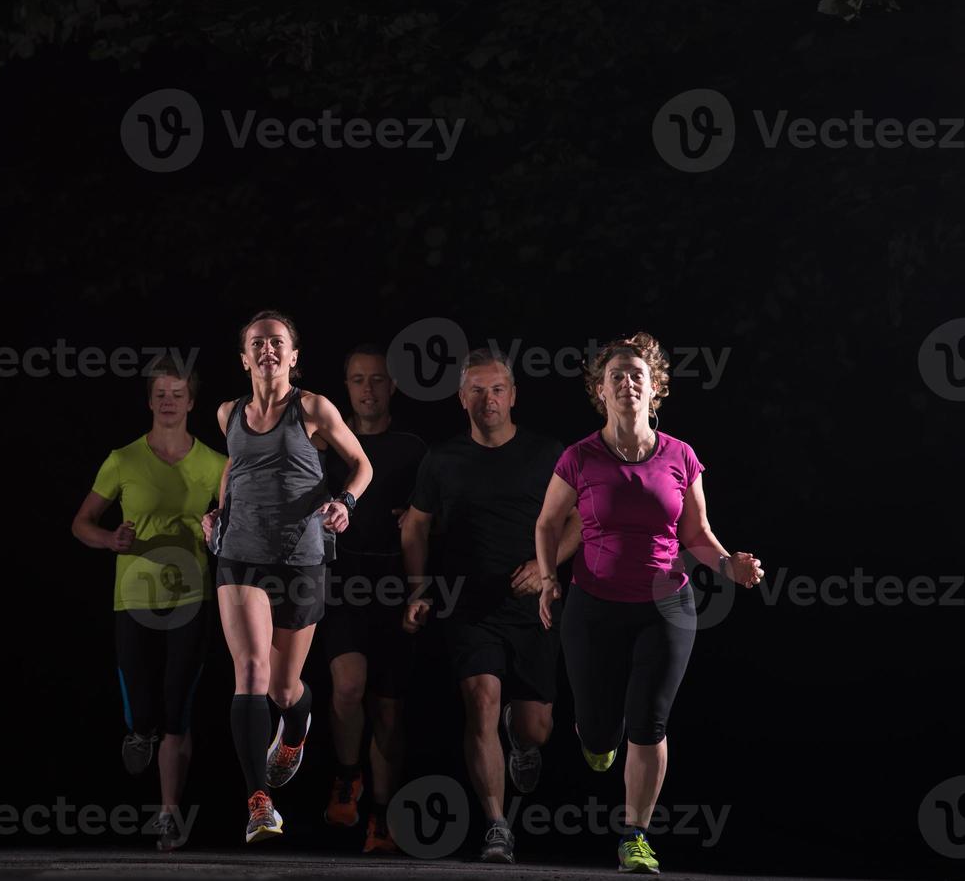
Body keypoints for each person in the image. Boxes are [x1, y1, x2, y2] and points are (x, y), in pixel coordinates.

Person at [534, 332, 764, 875]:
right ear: (601, 389)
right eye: (616, 375)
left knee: (649, 722)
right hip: (591, 605)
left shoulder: (681, 456)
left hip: (666, 607)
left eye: (637, 374)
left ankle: (634, 835)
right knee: (597, 732)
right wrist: (548, 579)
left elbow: (698, 533)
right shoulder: (580, 456)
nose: (627, 382)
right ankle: (595, 737)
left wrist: (731, 564)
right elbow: (547, 524)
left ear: (654, 388)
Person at [403, 348, 580, 864]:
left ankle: (521, 743)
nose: (488, 400)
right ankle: (497, 826)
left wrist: (546, 568)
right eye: (476, 391)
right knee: (480, 701)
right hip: (468, 607)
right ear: (462, 399)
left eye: (497, 389)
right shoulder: (442, 458)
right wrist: (416, 589)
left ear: (513, 395)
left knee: (535, 728)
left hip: (534, 607)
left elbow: (579, 521)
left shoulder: (549, 453)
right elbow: (414, 523)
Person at [200, 310, 372, 843]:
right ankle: (259, 803)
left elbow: (361, 464)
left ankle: (296, 727)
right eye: (257, 343)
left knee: (281, 687)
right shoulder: (229, 412)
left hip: (301, 558)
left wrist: (345, 501)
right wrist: (217, 511)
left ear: (293, 356)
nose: (267, 350)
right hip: (239, 556)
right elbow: (236, 466)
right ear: (244, 356)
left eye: (277, 343)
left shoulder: (313, 408)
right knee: (249, 671)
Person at [71, 357, 226, 852]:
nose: (168, 402)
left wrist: (215, 528)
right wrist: (108, 539)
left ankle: (169, 814)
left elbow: (233, 526)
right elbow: (81, 524)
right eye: (160, 393)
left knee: (177, 704)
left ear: (192, 402)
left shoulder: (216, 464)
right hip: (134, 596)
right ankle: (138, 730)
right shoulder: (123, 458)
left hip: (192, 596)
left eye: (177, 394)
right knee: (143, 706)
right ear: (149, 400)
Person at [318, 345, 426, 853]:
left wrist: (421, 520)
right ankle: (346, 775)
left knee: (387, 710)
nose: (368, 389)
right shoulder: (325, 445)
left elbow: (433, 517)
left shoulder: (412, 447)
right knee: (346, 686)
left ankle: (381, 818)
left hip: (394, 583)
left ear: (394, 387)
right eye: (358, 380)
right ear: (346, 388)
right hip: (340, 580)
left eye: (377, 380)